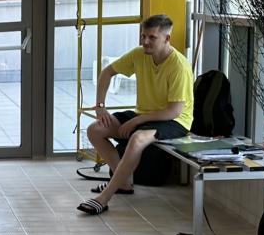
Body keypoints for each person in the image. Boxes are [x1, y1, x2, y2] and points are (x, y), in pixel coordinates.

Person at [78, 14, 194, 215]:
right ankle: (123, 183)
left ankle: (104, 198)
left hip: (175, 121)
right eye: (143, 36)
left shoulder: (179, 66)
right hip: (145, 114)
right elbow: (107, 73)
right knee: (95, 130)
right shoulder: (140, 54)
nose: (145, 41)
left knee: (137, 138)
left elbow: (174, 111)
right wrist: (100, 106)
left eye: (152, 37)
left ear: (167, 39)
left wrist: (137, 121)